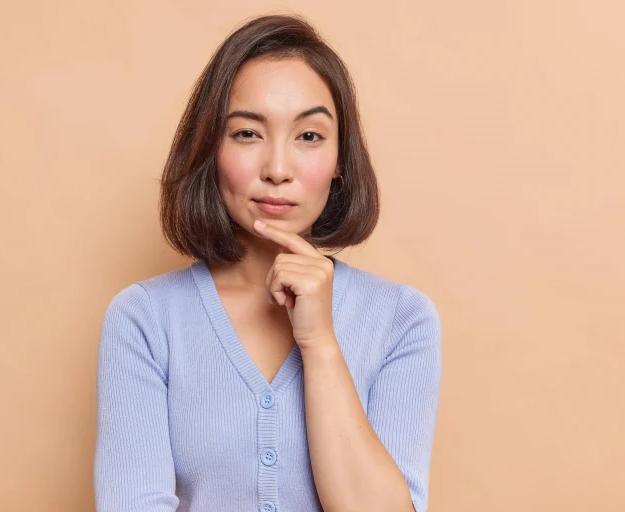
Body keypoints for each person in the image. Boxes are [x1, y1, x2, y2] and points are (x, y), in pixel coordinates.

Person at [93, 13, 441, 512]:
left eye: (309, 137)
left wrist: (319, 344)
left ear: (341, 158)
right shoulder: (144, 319)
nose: (278, 170)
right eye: (247, 134)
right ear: (210, 149)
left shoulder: (403, 321)